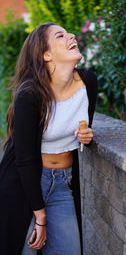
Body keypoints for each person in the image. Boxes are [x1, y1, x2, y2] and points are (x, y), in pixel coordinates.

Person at [0, 22, 98, 255]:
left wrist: (87, 136)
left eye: (68, 32)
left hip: (62, 185)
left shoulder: (88, 83)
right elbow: (23, 159)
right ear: (46, 54)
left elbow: (83, 132)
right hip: (25, 184)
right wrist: (40, 215)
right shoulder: (30, 94)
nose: (70, 35)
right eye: (60, 35)